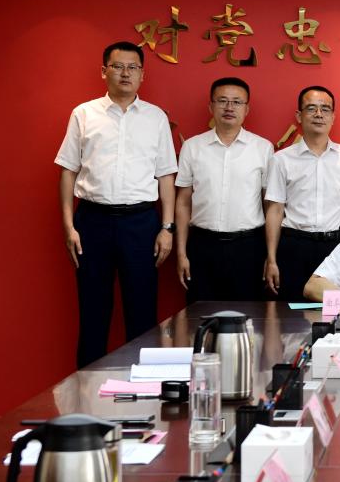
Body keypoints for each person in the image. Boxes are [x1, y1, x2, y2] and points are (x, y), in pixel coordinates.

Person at [55, 41, 177, 367]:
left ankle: (144, 392)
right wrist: (68, 226)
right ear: (104, 71)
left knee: (143, 313)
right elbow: (68, 171)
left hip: (141, 223)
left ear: (142, 74)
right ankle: (86, 392)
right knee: (93, 312)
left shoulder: (155, 118)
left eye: (132, 67)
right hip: (92, 222)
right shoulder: (84, 114)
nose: (125, 73)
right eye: (118, 66)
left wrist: (167, 227)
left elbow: (166, 176)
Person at [174, 77, 273, 302]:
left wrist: (270, 255)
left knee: (249, 317)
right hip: (202, 245)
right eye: (222, 101)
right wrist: (181, 253)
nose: (229, 107)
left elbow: (270, 205)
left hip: (249, 247)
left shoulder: (263, 148)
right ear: (211, 107)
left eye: (237, 102)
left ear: (247, 109)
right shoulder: (192, 147)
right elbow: (183, 202)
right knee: (200, 315)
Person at [264, 86, 340, 302]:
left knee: (334, 310)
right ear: (299, 116)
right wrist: (271, 258)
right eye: (311, 108)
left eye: (325, 109)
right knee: (290, 311)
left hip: (335, 246)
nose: (319, 114)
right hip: (294, 245)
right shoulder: (281, 159)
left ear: (333, 117)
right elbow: (275, 209)